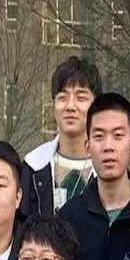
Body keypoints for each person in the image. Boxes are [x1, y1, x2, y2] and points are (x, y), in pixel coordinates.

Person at [65, 94, 130, 260]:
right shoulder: (69, 217)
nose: (108, 146)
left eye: (118, 136)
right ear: (87, 146)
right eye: (99, 136)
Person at [23, 55, 102, 219]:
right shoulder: (33, 167)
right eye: (62, 97)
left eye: (81, 98)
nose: (70, 106)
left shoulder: (107, 167)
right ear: (53, 106)